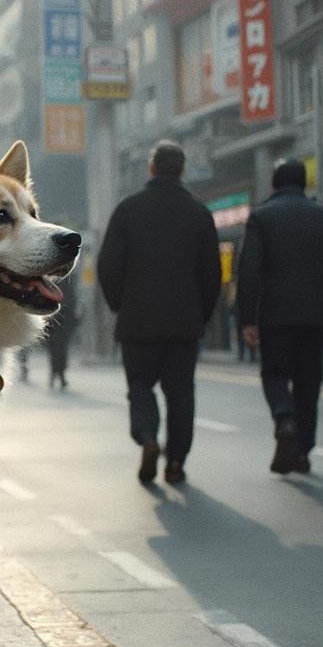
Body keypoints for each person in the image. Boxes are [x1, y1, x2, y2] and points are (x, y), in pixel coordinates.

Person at [98, 140, 221, 485]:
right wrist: (202, 314)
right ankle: (176, 462)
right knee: (181, 393)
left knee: (140, 386)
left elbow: (109, 266)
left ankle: (148, 437)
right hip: (184, 324)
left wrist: (119, 304)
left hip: (137, 322)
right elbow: (212, 274)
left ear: (151, 169)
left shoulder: (128, 210)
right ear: (181, 170)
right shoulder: (199, 213)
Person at [237, 159, 323, 475]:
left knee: (274, 372)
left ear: (274, 184)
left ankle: (283, 417)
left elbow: (249, 270)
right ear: (305, 184)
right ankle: (302, 451)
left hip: (274, 313)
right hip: (314, 314)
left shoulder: (261, 217)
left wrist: (246, 318)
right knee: (308, 381)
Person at [45, 274, 80, 389]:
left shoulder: (52, 280)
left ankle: (57, 373)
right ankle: (58, 373)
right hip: (58, 321)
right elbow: (72, 300)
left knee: (57, 349)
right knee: (59, 349)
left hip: (56, 321)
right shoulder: (67, 280)